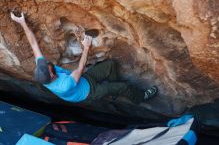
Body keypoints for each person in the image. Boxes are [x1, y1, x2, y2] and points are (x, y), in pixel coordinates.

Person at [10, 12, 158, 104]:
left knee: (111, 64)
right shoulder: (64, 85)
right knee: (123, 87)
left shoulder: (43, 72)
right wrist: (86, 47)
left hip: (85, 80)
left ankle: (113, 88)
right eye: (49, 66)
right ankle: (140, 97)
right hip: (88, 93)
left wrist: (22, 22)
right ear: (52, 75)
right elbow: (80, 67)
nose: (48, 63)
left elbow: (33, 44)